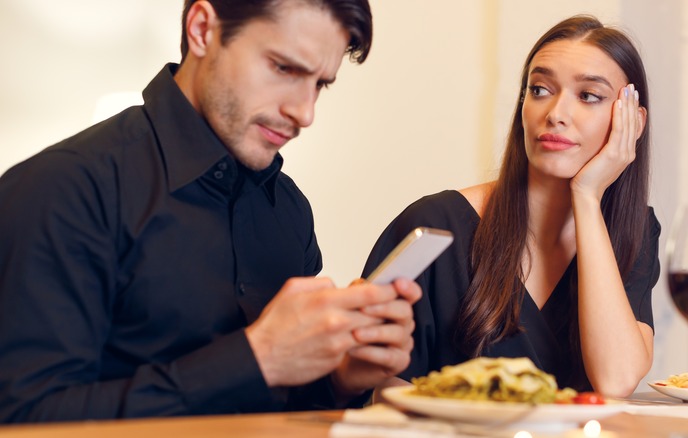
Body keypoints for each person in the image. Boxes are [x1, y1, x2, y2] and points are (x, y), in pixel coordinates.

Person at [0, 0, 421, 423]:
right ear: (202, 29)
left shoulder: (289, 209)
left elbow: (285, 413)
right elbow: (23, 417)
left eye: (320, 84)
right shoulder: (63, 189)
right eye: (283, 68)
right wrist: (256, 360)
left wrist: (339, 381)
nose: (304, 112)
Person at [362, 15, 659, 398]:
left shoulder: (636, 229)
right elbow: (382, 398)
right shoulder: (433, 226)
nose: (555, 113)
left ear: (631, 122)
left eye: (588, 96)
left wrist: (586, 197)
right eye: (539, 89)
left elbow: (616, 380)